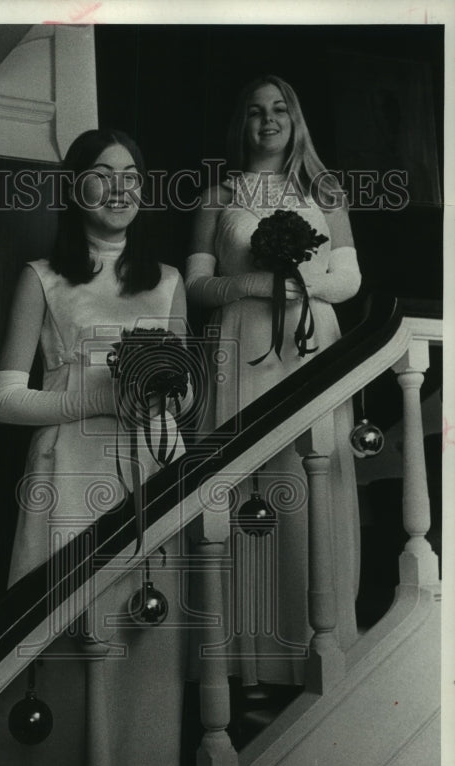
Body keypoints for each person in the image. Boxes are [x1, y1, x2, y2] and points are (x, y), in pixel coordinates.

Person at [0, 129, 192, 766]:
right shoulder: (41, 278)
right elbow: (5, 397)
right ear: (74, 191)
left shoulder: (168, 280)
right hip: (66, 477)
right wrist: (95, 399)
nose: (118, 189)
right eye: (100, 177)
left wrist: (161, 400)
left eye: (131, 177)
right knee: (65, 660)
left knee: (140, 653)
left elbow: (180, 395)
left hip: (147, 474)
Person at [185, 75, 362, 682]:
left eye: (280, 108)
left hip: (310, 350)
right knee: (245, 492)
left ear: (295, 117)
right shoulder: (219, 194)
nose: (268, 119)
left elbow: (349, 279)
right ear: (243, 122)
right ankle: (245, 663)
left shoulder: (325, 191)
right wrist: (253, 284)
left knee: (309, 485)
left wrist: (297, 284)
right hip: (241, 352)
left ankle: (314, 649)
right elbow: (196, 286)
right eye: (256, 110)